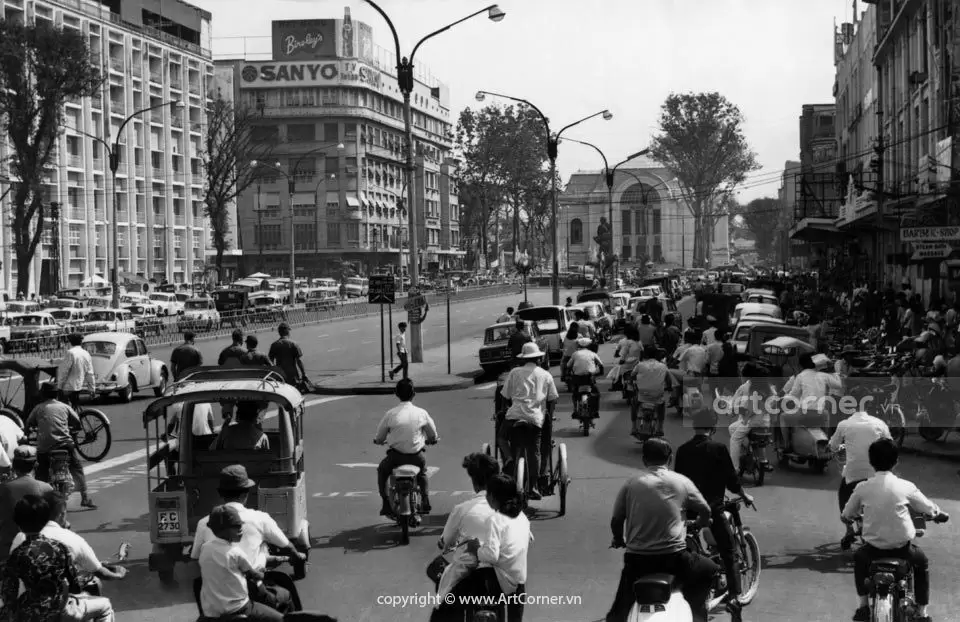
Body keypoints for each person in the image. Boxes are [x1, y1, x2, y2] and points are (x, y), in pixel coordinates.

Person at [606, 438, 717, 622]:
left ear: (644, 460)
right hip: (674, 559)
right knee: (710, 569)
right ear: (670, 459)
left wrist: (618, 539)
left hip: (637, 561)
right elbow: (705, 510)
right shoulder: (682, 482)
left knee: (618, 612)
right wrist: (701, 522)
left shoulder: (631, 484)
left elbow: (616, 520)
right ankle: (697, 614)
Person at [842, 439, 945, 622]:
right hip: (902, 549)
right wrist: (937, 514)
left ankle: (863, 606)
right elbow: (928, 508)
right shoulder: (906, 486)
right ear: (896, 461)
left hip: (872, 549)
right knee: (921, 563)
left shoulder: (862, 487)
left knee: (859, 560)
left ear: (871, 462)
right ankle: (922, 613)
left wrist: (849, 518)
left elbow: (848, 513)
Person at [674, 410, 755, 617]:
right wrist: (744, 495)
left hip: (687, 510)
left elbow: (678, 481)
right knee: (729, 553)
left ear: (694, 426)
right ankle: (735, 597)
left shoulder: (683, 450)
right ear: (713, 427)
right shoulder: (718, 448)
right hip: (712, 509)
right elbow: (731, 480)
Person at [191, 465, 303, 613]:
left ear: (220, 494)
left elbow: (196, 558)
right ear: (246, 493)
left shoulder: (204, 524)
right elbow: (287, 546)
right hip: (247, 594)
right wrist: (296, 556)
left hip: (215, 599)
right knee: (285, 597)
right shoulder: (259, 518)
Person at [0, 494, 93, 622]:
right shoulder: (59, 548)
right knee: (104, 606)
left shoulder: (17, 554)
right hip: (60, 610)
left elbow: (8, 593)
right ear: (45, 520)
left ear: (18, 524)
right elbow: (74, 585)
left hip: (30, 614)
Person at [431, 453, 501, 621]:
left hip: (469, 572)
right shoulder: (510, 508)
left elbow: (445, 542)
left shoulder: (462, 509)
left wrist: (445, 544)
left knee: (443, 601)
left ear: (474, 482)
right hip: (503, 574)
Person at [11, 490, 127, 589]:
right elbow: (95, 572)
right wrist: (119, 575)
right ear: (61, 514)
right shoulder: (67, 541)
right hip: (55, 606)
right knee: (104, 604)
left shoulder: (20, 538)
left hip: (21, 605)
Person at [463, 474, 532, 622]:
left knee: (468, 579)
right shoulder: (522, 517)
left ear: (493, 497)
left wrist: (476, 548)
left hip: (502, 581)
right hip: (519, 579)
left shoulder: (494, 520)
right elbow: (529, 537)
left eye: (488, 494)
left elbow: (491, 555)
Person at [198, 504, 284, 621]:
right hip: (240, 609)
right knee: (281, 618)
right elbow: (255, 575)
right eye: (236, 527)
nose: (241, 530)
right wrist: (262, 571)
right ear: (223, 530)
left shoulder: (205, 548)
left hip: (211, 614)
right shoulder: (236, 553)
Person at [829, 394, 892, 550]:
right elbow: (890, 443)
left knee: (844, 496)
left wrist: (835, 448)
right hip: (877, 473)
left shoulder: (844, 424)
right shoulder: (879, 423)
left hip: (853, 475)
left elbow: (833, 445)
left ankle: (849, 529)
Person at [498, 343, 558, 500]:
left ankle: (510, 458)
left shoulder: (514, 372)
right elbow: (552, 399)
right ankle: (533, 486)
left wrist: (505, 411)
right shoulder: (546, 375)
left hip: (514, 416)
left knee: (502, 437)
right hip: (535, 419)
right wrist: (548, 416)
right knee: (535, 451)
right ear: (538, 358)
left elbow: (505, 396)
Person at [374, 379, 439, 516]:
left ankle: (386, 503)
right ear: (413, 394)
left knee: (382, 471)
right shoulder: (422, 413)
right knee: (422, 473)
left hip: (395, 458)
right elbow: (432, 435)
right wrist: (431, 440)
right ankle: (426, 499)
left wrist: (378, 441)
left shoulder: (390, 414)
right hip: (417, 457)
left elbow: (380, 437)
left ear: (396, 394)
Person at [26, 382, 95, 509]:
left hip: (44, 448)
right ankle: (85, 497)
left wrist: (29, 431)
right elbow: (78, 423)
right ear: (57, 395)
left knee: (41, 472)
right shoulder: (65, 407)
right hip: (65, 445)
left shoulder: (38, 408)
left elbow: (28, 424)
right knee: (77, 468)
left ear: (43, 395)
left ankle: (40, 501)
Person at [0, 446, 52, 568]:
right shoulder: (46, 488)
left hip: (6, 552)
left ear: (14, 466)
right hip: (41, 554)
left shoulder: (3, 489)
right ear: (36, 465)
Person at [780, 353, 841, 453]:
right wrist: (834, 372)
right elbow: (838, 385)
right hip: (820, 414)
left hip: (804, 414)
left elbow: (793, 395)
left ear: (800, 365)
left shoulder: (800, 376)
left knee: (783, 417)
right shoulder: (824, 375)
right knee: (826, 415)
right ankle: (826, 443)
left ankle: (787, 445)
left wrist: (784, 398)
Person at [727, 365, 773, 470]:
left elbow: (750, 410)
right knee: (732, 427)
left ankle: (734, 468)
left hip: (752, 421)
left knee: (735, 439)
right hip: (765, 421)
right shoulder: (769, 388)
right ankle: (761, 458)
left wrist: (742, 415)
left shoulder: (750, 388)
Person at [631, 345, 671, 437]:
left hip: (642, 394)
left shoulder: (640, 365)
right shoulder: (663, 366)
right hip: (657, 394)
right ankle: (660, 428)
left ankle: (633, 427)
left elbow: (632, 375)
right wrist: (669, 387)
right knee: (661, 406)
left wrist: (633, 382)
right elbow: (668, 379)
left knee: (634, 404)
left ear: (644, 354)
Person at [56, 332, 95, 409]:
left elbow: (64, 372)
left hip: (68, 387)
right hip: (78, 386)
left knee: (62, 407)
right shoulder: (86, 353)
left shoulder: (70, 353)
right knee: (74, 407)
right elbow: (90, 373)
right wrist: (92, 388)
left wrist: (59, 386)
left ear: (70, 342)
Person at [565, 337, 604, 410]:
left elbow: (568, 365)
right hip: (589, 378)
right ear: (589, 345)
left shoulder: (575, 354)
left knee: (575, 393)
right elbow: (601, 365)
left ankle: (575, 408)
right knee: (596, 393)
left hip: (577, 378)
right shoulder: (592, 354)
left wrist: (568, 374)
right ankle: (595, 410)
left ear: (579, 345)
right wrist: (600, 373)